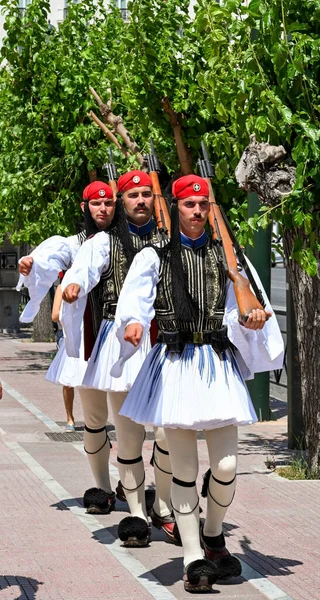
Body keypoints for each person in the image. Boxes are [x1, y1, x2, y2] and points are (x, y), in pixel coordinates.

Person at [113, 174, 285, 592]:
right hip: (173, 365)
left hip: (216, 365)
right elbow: (133, 301)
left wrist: (253, 318)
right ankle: (193, 558)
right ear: (175, 207)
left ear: (210, 208)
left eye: (203, 204)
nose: (196, 211)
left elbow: (240, 312)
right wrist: (133, 325)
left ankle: (213, 533)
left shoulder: (226, 260)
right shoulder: (153, 256)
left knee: (226, 467)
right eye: (189, 205)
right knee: (185, 470)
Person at [61, 171, 177, 547]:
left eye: (147, 194)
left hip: (163, 338)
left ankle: (163, 505)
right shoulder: (103, 242)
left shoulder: (169, 240)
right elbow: (83, 269)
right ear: (122, 201)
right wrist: (74, 286)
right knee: (128, 435)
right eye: (133, 195)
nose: (141, 200)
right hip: (120, 339)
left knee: (167, 433)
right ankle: (137, 515)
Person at [17, 182, 127, 514]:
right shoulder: (74, 244)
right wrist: (31, 264)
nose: (103, 209)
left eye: (109, 203)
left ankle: (132, 484)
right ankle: (103, 488)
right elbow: (50, 257)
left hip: (125, 341)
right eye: (97, 203)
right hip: (89, 339)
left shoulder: (131, 242)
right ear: (85, 208)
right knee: (95, 418)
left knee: (128, 422)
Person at [49, 282, 76, 431]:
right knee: (68, 380)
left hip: (85, 335)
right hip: (67, 336)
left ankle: (95, 418)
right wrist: (71, 312)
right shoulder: (61, 288)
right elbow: (54, 315)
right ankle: (70, 418)